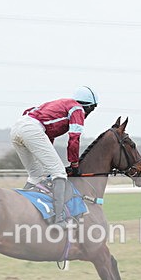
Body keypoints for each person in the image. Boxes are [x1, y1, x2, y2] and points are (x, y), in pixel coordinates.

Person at [10, 86, 98, 225]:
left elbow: (47, 140)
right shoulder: (77, 109)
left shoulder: (62, 104)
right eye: (92, 109)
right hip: (31, 129)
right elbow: (74, 139)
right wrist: (74, 163)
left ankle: (17, 211)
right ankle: (59, 218)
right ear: (89, 106)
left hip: (17, 129)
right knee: (59, 173)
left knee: (35, 176)